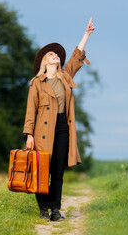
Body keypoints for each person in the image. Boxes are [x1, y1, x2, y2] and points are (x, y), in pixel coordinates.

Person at [23, 17, 95, 221]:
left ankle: (55, 210)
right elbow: (31, 110)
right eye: (52, 54)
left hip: (63, 127)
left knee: (57, 171)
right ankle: (43, 210)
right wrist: (29, 134)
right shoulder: (37, 82)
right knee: (42, 170)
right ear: (46, 62)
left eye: (56, 55)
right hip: (42, 131)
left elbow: (76, 57)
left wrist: (86, 34)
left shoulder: (65, 76)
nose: (56, 56)